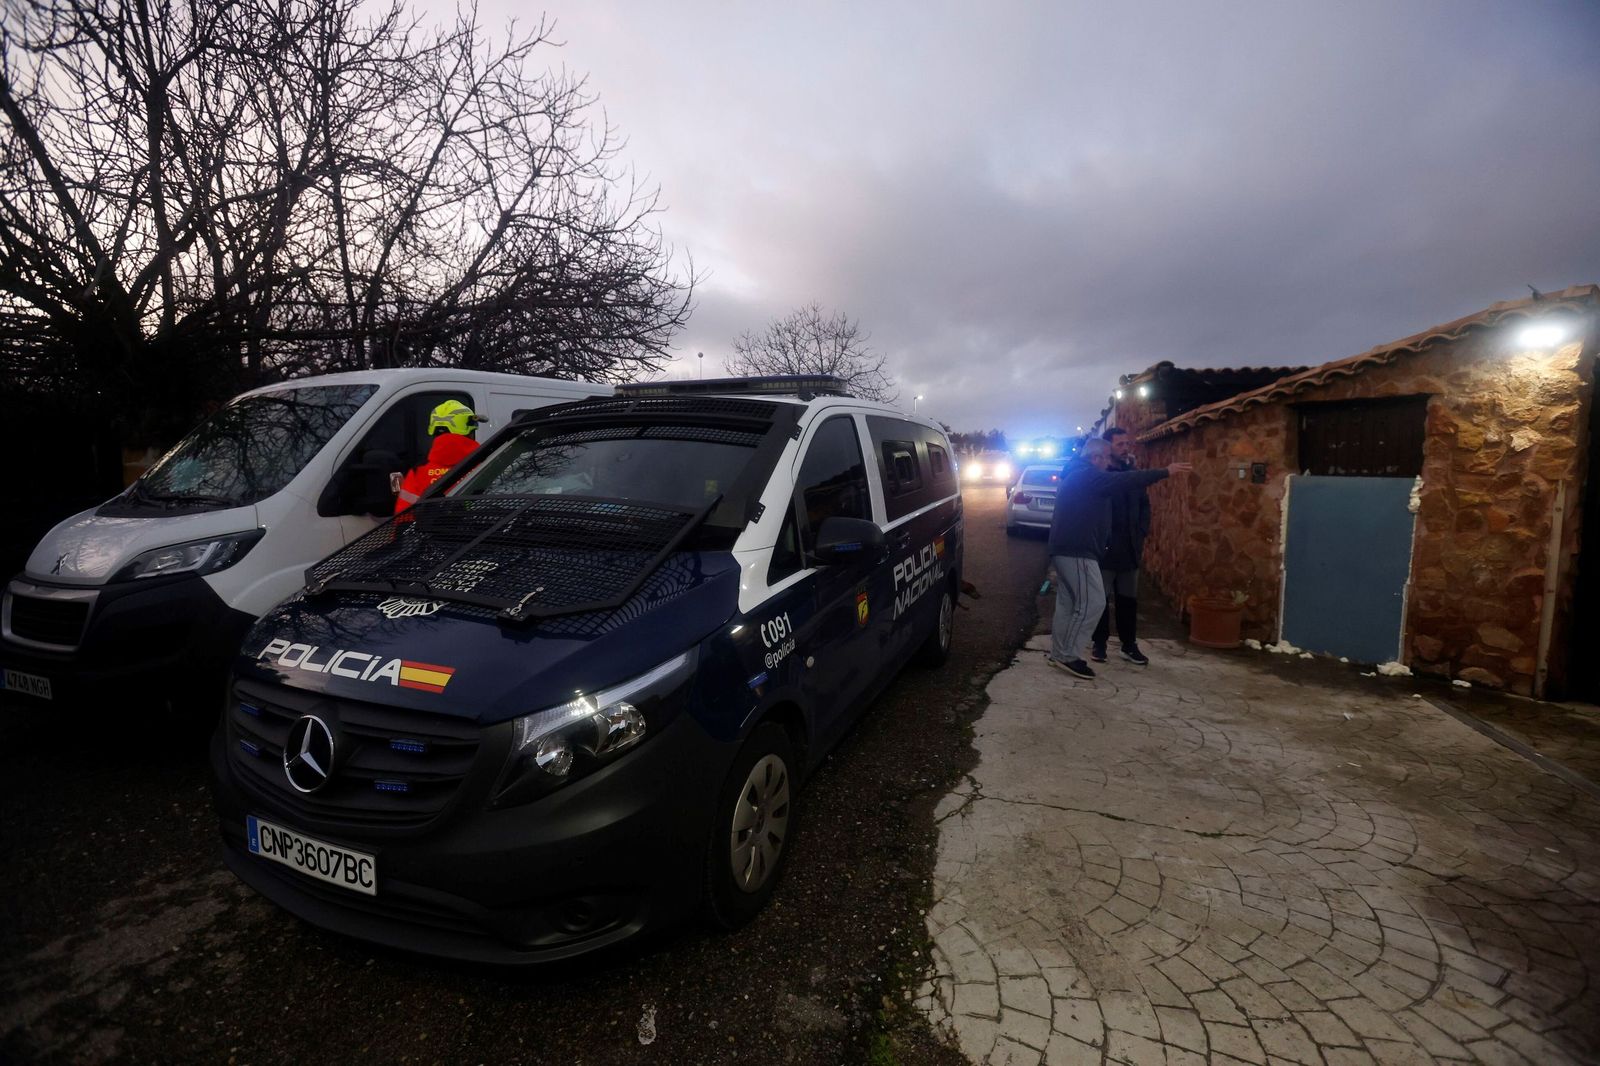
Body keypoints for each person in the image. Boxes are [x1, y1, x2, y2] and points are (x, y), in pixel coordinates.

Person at [1047, 437, 1190, 679]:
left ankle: (1059, 652)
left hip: (1067, 550)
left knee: (1069, 604)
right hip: (1077, 551)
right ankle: (1067, 656)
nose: (1108, 464)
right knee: (1093, 602)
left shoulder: (1078, 473)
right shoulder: (1087, 475)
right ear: (1096, 458)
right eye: (1107, 458)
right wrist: (1165, 471)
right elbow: (1125, 480)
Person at [1091, 427, 1152, 666]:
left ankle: (1129, 645)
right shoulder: (1101, 476)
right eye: (1120, 445)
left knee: (1128, 600)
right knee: (1101, 600)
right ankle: (1099, 644)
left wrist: (1142, 532)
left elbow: (1145, 505)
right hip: (1106, 550)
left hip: (1129, 548)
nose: (1126, 448)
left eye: (1127, 444)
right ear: (1108, 448)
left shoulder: (1133, 474)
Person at [394, 400, 481, 514]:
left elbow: (403, 517)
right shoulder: (487, 463)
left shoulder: (418, 472)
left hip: (430, 532)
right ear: (469, 431)